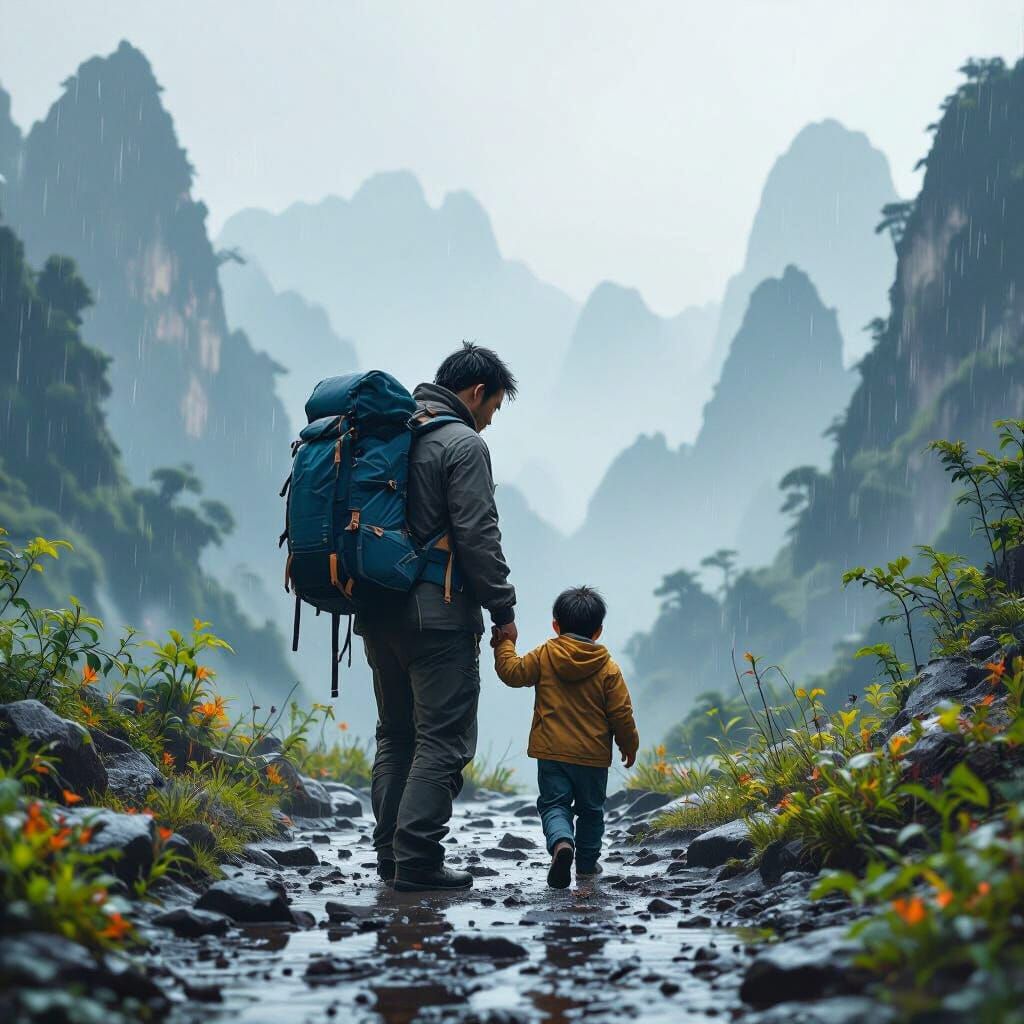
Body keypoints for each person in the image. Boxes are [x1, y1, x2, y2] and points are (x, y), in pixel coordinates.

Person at [357, 343, 518, 893]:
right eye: (493, 409)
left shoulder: (393, 433)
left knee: (396, 736)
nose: (490, 422)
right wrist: (503, 607)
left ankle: (390, 856)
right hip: (439, 619)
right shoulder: (462, 444)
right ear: (476, 394)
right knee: (442, 740)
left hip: (378, 613)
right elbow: (477, 535)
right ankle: (419, 860)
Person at [492, 585, 639, 888]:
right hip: (592, 757)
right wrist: (629, 744)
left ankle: (561, 844)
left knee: (554, 805)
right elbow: (621, 713)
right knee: (590, 811)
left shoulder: (545, 655)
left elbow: (513, 673)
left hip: (552, 754)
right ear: (598, 631)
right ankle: (586, 865)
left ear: (556, 626)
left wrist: (504, 645)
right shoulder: (608, 669)